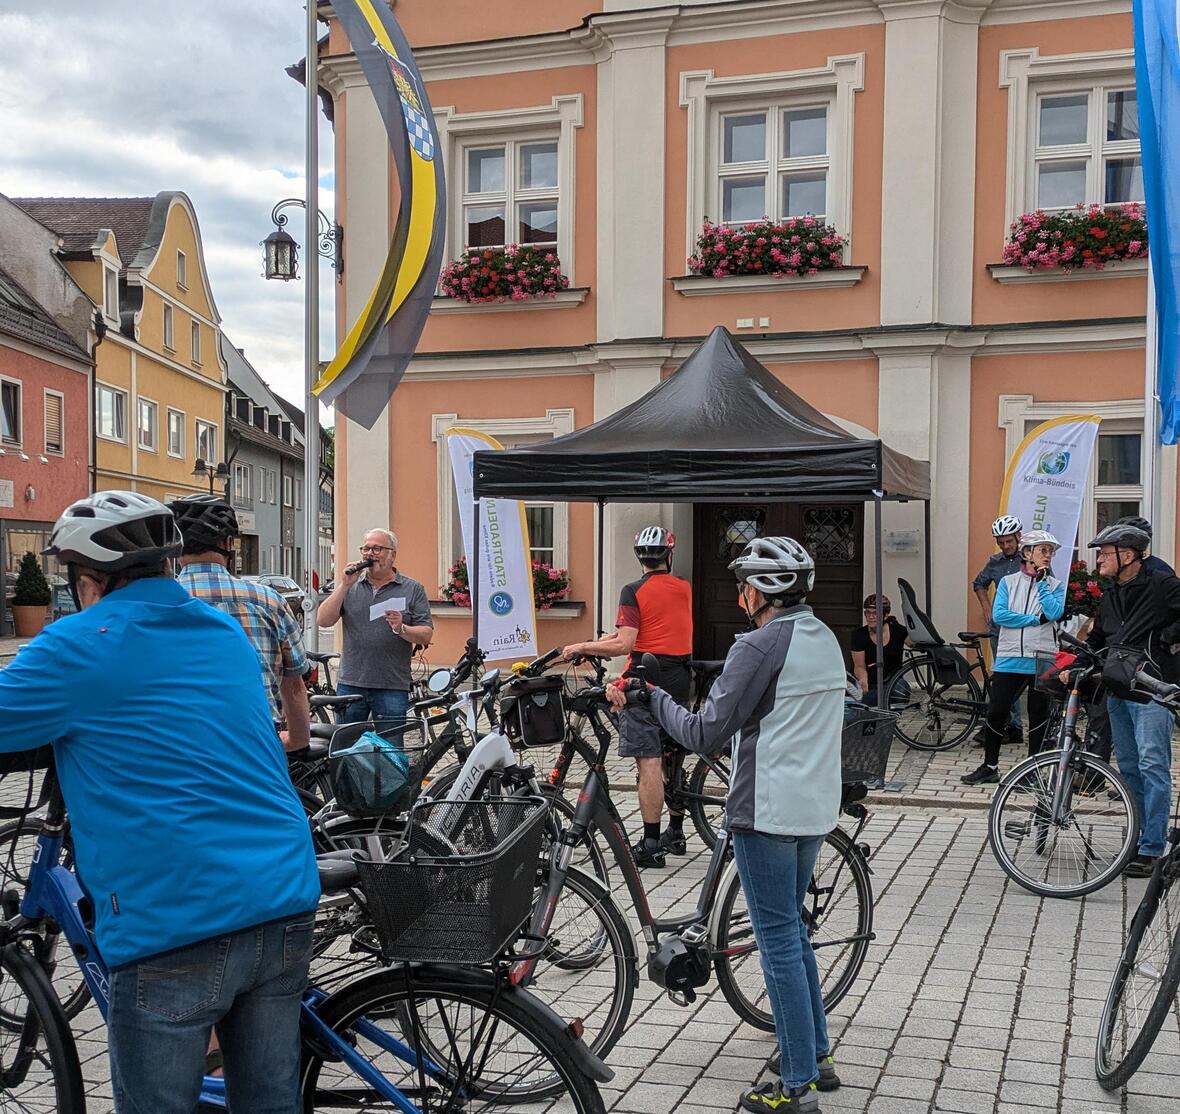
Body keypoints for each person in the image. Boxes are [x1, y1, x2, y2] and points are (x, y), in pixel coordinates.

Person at [0, 491, 319, 1114]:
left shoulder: (77, 645)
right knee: (269, 1103)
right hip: (283, 893)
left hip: (178, 916)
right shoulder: (223, 630)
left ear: (87, 581)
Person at [611, 536, 844, 1112]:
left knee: (778, 945)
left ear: (761, 592)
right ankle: (818, 1057)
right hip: (814, 807)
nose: (739, 594)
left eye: (744, 584)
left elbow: (701, 734)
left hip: (765, 810)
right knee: (794, 931)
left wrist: (651, 696)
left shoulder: (761, 645)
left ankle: (797, 1089)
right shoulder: (825, 638)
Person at [562, 526, 693, 867]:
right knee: (672, 754)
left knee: (648, 760)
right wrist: (606, 639)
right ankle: (676, 833)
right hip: (680, 678)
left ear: (639, 557)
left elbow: (625, 644)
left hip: (645, 680)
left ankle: (650, 845)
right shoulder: (684, 588)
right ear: (669, 555)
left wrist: (582, 646)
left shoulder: (633, 590)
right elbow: (652, 629)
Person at [170, 494, 311, 752]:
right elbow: (293, 687)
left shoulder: (157, 603)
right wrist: (297, 741)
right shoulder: (268, 600)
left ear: (176, 548)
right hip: (256, 740)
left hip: (182, 746)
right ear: (228, 543)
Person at [1085, 522, 1180, 877]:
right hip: (1119, 690)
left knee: (1153, 765)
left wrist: (1164, 639)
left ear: (1127, 556)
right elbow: (1098, 639)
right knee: (1128, 768)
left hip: (1153, 691)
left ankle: (1153, 848)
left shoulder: (1161, 586)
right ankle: (1137, 841)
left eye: (1104, 554)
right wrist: (1074, 664)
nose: (1098, 560)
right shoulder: (1110, 596)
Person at [961, 530, 1065, 785]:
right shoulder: (1008, 583)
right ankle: (990, 766)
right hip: (1009, 657)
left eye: (1050, 551)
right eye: (1043, 550)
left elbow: (1053, 612)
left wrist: (1042, 584)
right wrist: (1033, 620)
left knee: (1038, 716)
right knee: (997, 711)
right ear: (1027, 553)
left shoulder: (1055, 586)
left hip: (1041, 657)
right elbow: (1000, 616)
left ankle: (1032, 771)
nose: (1048, 555)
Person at [316, 528, 433, 723]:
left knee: (390, 749)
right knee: (346, 746)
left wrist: (401, 628)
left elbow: (426, 634)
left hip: (392, 685)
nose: (370, 554)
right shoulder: (350, 586)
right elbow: (323, 620)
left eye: (377, 549)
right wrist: (344, 586)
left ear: (392, 555)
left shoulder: (412, 589)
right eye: (366, 549)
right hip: (352, 683)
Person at [971, 515, 1025, 746]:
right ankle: (1010, 726)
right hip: (999, 629)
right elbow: (979, 584)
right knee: (1002, 678)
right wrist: (987, 608)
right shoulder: (995, 562)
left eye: (1008, 542)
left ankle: (1011, 724)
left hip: (1022, 628)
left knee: (1018, 679)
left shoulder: (1030, 560)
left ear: (1018, 538)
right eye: (1001, 542)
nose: (1005, 546)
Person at [849, 594, 908, 707]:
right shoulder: (859, 635)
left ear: (885, 615)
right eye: (868, 613)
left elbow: (914, 643)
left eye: (875, 613)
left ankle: (890, 721)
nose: (871, 617)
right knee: (865, 708)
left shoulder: (898, 631)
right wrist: (863, 679)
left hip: (893, 683)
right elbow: (859, 665)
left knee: (900, 689)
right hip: (871, 684)